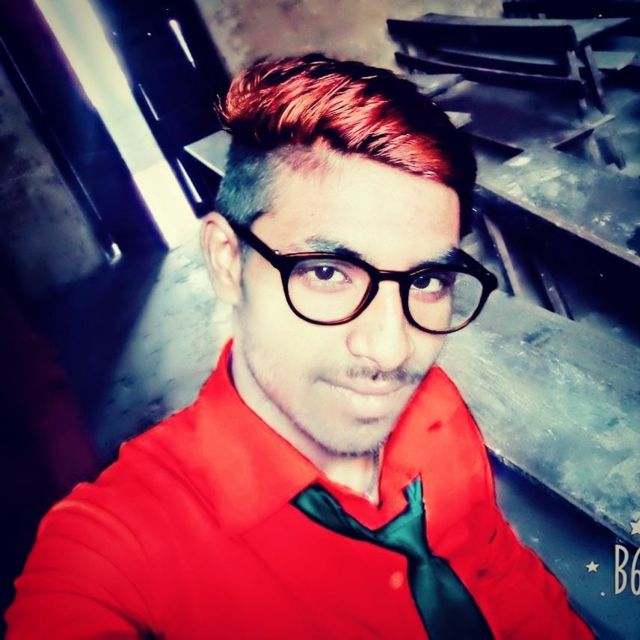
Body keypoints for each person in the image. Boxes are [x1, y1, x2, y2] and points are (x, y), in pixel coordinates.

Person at [6, 54, 593, 639]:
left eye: (425, 281)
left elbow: (497, 572)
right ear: (227, 261)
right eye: (327, 272)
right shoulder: (124, 548)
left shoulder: (436, 405)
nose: (392, 352)